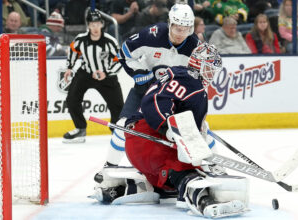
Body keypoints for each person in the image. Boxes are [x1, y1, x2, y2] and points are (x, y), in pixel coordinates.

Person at [91, 43, 250, 218]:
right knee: (188, 172)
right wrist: (167, 127)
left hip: (139, 146)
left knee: (167, 184)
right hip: (149, 141)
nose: (212, 75)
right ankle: (203, 201)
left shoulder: (178, 74)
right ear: (200, 65)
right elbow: (154, 102)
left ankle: (121, 189)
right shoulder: (194, 86)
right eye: (210, 69)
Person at [93, 3, 201, 182]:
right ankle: (109, 167)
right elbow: (124, 53)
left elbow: (196, 81)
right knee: (122, 126)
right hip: (145, 91)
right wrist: (139, 72)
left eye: (186, 29)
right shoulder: (152, 34)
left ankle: (203, 168)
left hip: (174, 96)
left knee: (192, 130)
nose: (181, 33)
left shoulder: (195, 47)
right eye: (177, 28)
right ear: (170, 23)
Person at [62, 9, 124, 143]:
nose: (95, 27)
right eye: (92, 24)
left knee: (117, 105)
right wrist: (69, 67)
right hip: (85, 73)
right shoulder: (80, 39)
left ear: (102, 24)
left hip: (106, 75)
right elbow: (73, 50)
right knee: (72, 99)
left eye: (97, 24)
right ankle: (80, 129)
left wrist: (106, 73)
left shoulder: (110, 41)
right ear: (88, 25)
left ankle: (117, 131)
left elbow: (119, 59)